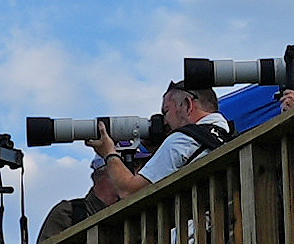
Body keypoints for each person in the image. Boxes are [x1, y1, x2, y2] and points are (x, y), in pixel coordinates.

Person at [85, 82, 231, 207]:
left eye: (166, 111)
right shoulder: (226, 136)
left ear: (187, 104)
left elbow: (129, 191)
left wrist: (109, 153)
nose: (165, 122)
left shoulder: (181, 140)